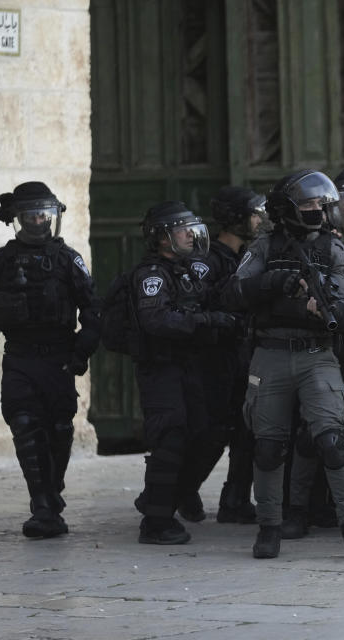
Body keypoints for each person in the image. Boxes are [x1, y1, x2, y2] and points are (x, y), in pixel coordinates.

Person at [224, 169, 344, 560]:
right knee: (269, 447)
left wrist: (322, 310)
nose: (318, 211)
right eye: (308, 204)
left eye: (322, 204)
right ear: (286, 209)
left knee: (332, 442)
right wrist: (274, 283)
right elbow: (233, 293)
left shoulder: (333, 250)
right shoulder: (264, 248)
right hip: (270, 354)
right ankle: (270, 527)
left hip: (317, 354)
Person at [0, 182, 101, 538]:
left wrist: (82, 351)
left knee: (59, 429)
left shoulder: (68, 258)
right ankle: (42, 504)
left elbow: (93, 310)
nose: (39, 220)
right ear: (18, 219)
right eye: (32, 214)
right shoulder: (3, 260)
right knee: (23, 423)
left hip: (58, 359)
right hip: (19, 357)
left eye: (44, 213)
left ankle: (52, 491)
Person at [131, 201, 235, 544]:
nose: (191, 235)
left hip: (192, 367)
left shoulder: (190, 270)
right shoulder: (152, 275)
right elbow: (156, 320)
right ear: (162, 238)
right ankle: (156, 521)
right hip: (162, 368)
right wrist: (205, 321)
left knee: (206, 433)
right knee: (171, 435)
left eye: (193, 228)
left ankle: (170, 496)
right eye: (181, 229)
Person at [193, 186, 266, 525]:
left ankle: (235, 499)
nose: (259, 220)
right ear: (235, 218)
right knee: (212, 433)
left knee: (248, 430)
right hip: (215, 358)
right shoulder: (209, 261)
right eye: (253, 214)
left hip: (244, 355)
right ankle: (179, 491)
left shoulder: (249, 256)